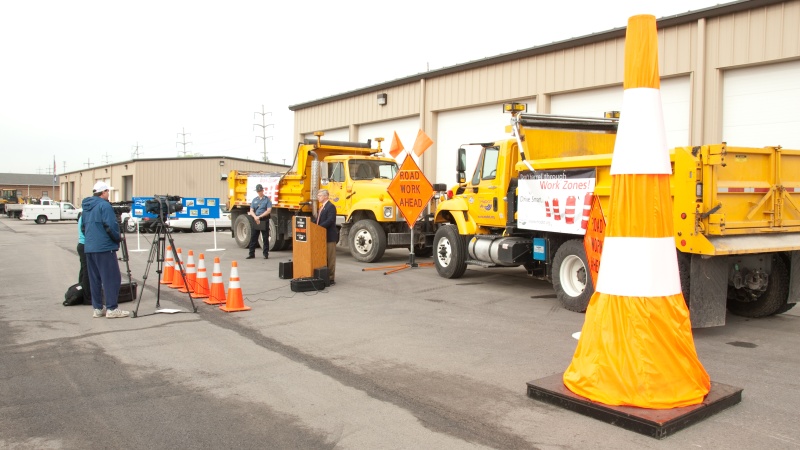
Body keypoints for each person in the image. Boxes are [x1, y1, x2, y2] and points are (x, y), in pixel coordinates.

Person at [81, 181, 129, 318]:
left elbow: (83, 227)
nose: (108, 194)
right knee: (111, 278)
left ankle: (97, 308)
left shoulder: (86, 207)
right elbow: (111, 226)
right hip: (104, 247)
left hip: (90, 246)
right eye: (108, 191)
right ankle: (111, 308)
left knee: (95, 279)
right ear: (103, 192)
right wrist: (117, 238)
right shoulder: (104, 205)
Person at [315, 189, 338, 286]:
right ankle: (323, 275)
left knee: (330, 258)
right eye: (318, 196)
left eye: (319, 196)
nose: (318, 197)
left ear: (326, 196)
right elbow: (317, 220)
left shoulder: (330, 206)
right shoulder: (321, 207)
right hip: (321, 236)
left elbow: (330, 220)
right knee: (323, 257)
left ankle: (331, 278)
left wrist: (319, 227)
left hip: (329, 236)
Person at [247, 183, 272, 259]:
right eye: (258, 191)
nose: (259, 192)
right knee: (254, 237)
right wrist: (255, 217)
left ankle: (265, 254)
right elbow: (251, 210)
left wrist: (260, 217)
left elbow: (268, 210)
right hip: (256, 219)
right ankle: (251, 254)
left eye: (260, 191)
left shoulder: (267, 199)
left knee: (265, 237)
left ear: (263, 190)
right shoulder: (255, 200)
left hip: (264, 219)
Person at [77, 214, 92, 305]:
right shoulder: (86, 217)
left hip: (82, 244)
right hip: (85, 244)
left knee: (84, 269)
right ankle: (87, 296)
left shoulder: (83, 216)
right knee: (87, 271)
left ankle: (82, 290)